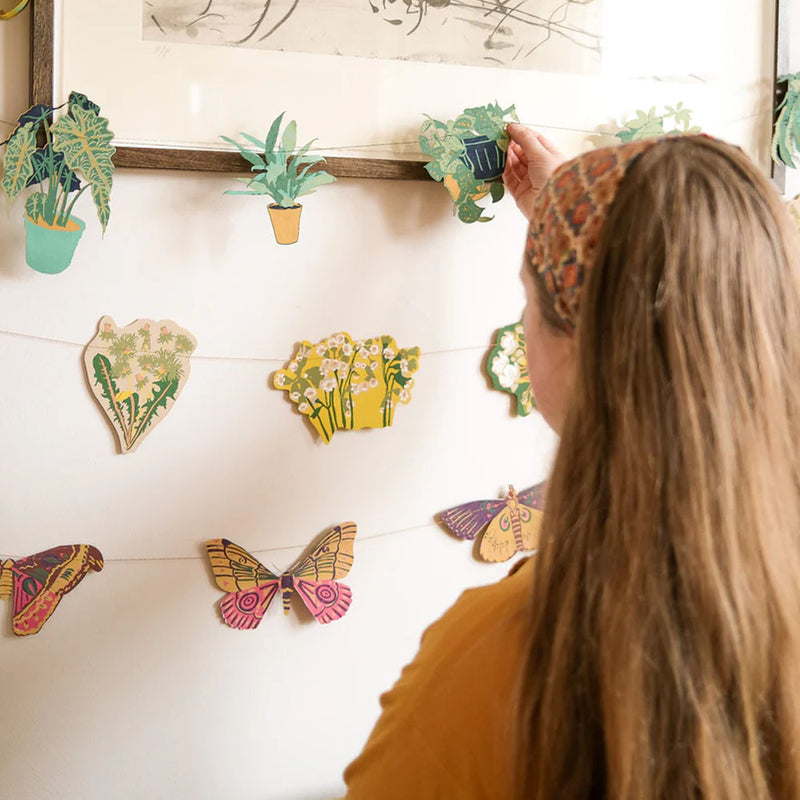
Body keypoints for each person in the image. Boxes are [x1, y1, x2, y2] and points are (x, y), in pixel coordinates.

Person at [341, 127, 800, 799]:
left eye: (530, 297)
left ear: (578, 347)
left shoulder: (502, 660)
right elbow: (699, 277)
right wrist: (573, 206)